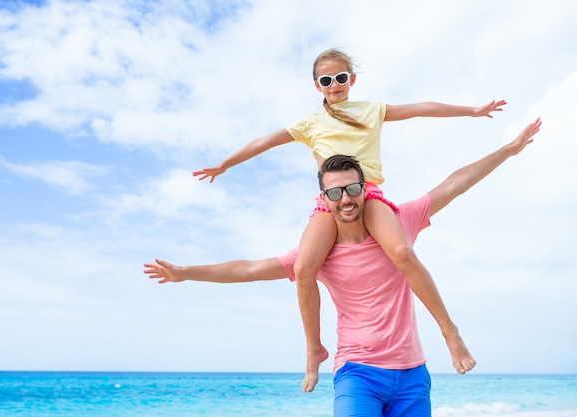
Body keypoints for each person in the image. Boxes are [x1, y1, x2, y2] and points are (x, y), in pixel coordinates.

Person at [145, 118, 542, 416]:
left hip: (413, 373)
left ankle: (449, 332)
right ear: (324, 198)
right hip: (358, 372)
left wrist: (507, 151)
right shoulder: (318, 253)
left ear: (364, 188)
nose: (346, 199)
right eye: (335, 193)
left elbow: (452, 185)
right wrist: (185, 272)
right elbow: (249, 269)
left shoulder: (398, 220)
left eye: (352, 189)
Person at [192, 48, 506, 391]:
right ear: (317, 85)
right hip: (332, 202)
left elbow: (420, 109)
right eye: (326, 80)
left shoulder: (371, 110)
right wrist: (226, 164)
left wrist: (471, 111)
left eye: (341, 77)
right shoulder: (309, 123)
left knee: (401, 252)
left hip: (368, 196)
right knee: (302, 270)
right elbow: (266, 141)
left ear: (351, 80)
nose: (335, 84)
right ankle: (314, 350)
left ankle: (449, 332)